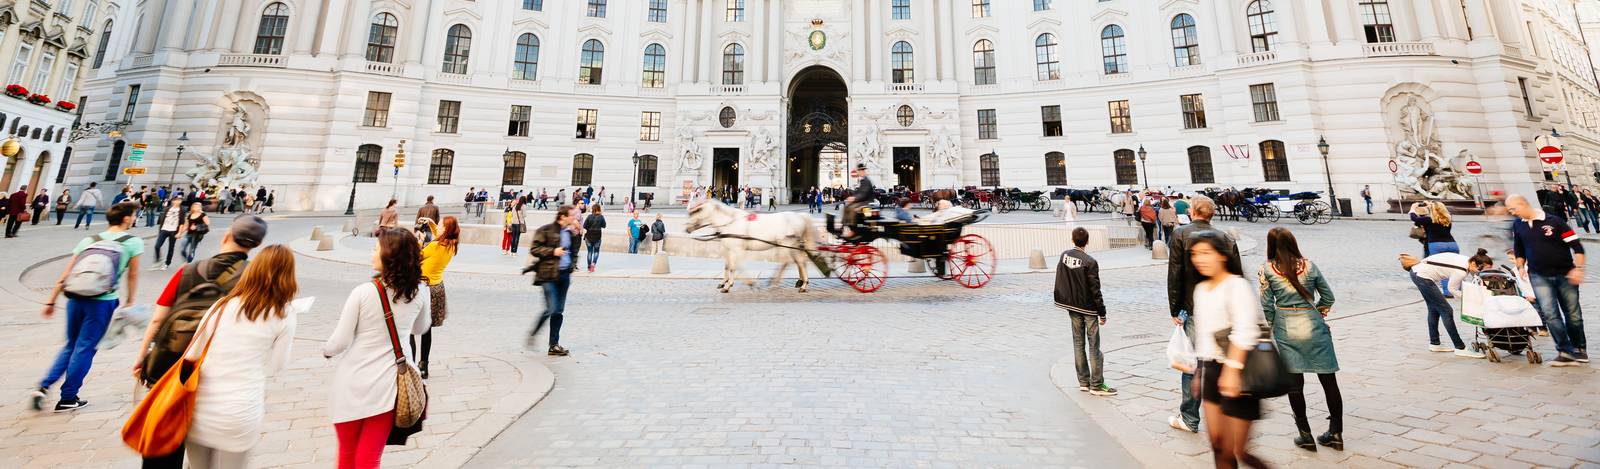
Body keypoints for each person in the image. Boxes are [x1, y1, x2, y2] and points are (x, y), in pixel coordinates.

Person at [161, 244, 295, 468]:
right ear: (288, 276)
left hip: (200, 408)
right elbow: (276, 366)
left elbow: (191, 355)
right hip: (240, 411)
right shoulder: (285, 313)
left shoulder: (221, 306)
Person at [322, 229, 429, 469]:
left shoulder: (363, 291)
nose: (372, 252)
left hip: (354, 380)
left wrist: (325, 350)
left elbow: (339, 342)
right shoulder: (421, 291)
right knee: (369, 457)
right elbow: (421, 329)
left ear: (389, 255)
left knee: (347, 453)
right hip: (390, 384)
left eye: (376, 248)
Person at [30, 202, 143, 412]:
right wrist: (130, 301)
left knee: (70, 345)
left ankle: (43, 386)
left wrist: (51, 300)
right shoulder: (133, 242)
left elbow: (67, 273)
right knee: (85, 347)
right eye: (134, 215)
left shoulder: (89, 240)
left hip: (75, 297)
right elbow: (133, 274)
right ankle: (68, 398)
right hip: (102, 301)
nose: (135, 218)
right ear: (126, 219)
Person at [1188, 231, 1269, 469]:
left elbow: (1246, 331)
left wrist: (1232, 371)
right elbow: (1203, 337)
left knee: (1238, 451)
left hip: (1241, 371)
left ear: (1222, 255)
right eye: (1195, 254)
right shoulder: (1201, 289)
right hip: (1212, 369)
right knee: (1218, 444)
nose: (1199, 259)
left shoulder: (1237, 285)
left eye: (1206, 253)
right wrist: (1199, 372)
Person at [1259, 228, 1343, 452]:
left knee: (1295, 384)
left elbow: (1266, 304)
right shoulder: (1310, 265)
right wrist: (1319, 312)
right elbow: (1328, 296)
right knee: (1329, 380)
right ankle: (1335, 433)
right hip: (1312, 321)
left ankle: (1305, 435)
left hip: (1286, 324)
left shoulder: (1268, 269)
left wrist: (1274, 323)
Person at [1166, 195, 1241, 434]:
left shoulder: (1180, 234)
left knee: (1193, 365)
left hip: (1196, 309)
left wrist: (1175, 308)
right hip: (1224, 311)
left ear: (1193, 211)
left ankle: (1189, 418)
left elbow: (1175, 274)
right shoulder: (1227, 238)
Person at [1506, 194, 1587, 366]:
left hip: (1565, 274)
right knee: (1550, 314)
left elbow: (1577, 247)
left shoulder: (1555, 222)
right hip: (1538, 275)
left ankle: (1579, 349)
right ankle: (1564, 351)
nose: (1513, 213)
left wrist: (1578, 269)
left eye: (1514, 209)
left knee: (1573, 314)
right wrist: (1520, 267)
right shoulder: (1518, 225)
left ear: (1523, 204)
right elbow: (1518, 249)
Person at [1055, 228, 1115, 396]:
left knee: (1078, 343)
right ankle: (1096, 384)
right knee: (1094, 346)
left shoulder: (1064, 256)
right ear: (1087, 241)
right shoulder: (1090, 262)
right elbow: (1095, 290)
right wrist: (1102, 312)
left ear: (1073, 239)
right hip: (1088, 307)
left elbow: (1061, 278)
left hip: (1072, 306)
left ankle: (1083, 381)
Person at [1401, 249, 1486, 358]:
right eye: (1481, 268)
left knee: (1433, 309)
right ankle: (1460, 347)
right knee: (1447, 311)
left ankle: (1434, 343)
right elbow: (1452, 290)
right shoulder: (1461, 271)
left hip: (1417, 273)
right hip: (1422, 277)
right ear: (1474, 263)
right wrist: (1470, 298)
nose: (1481, 271)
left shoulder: (1466, 260)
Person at [526, 206, 577, 356]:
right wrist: (553, 251)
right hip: (548, 275)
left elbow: (573, 252)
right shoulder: (546, 230)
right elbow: (534, 249)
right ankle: (533, 333)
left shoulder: (570, 233)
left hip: (564, 275)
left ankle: (553, 345)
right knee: (552, 308)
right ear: (562, 216)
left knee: (559, 311)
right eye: (572, 215)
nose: (574, 218)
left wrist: (571, 265)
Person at [414, 216, 459, 379]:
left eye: (440, 225)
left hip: (423, 288)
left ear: (446, 230)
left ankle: (412, 365)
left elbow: (417, 256)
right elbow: (439, 237)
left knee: (411, 329)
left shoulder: (433, 246)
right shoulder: (452, 245)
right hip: (437, 288)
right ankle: (424, 365)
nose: (437, 227)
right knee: (427, 330)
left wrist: (419, 240)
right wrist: (433, 225)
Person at [1411, 201, 1460, 294]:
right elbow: (1438, 208)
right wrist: (1430, 204)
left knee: (1442, 268)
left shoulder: (1429, 220)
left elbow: (1414, 218)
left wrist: (1413, 208)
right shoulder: (1447, 219)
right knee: (1454, 267)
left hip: (1437, 245)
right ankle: (1456, 290)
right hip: (1452, 244)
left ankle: (1447, 292)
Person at [150, 198, 186, 270]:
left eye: (179, 200)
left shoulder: (182, 210)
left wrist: (179, 233)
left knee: (171, 248)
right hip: (164, 229)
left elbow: (182, 223)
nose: (177, 201)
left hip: (174, 230)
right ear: (173, 201)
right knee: (157, 246)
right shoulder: (167, 209)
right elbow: (163, 219)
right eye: (176, 200)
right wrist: (160, 229)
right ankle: (158, 261)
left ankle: (167, 263)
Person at [583, 204, 607, 272]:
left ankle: (589, 266)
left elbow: (584, 226)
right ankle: (593, 264)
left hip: (589, 236)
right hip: (597, 236)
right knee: (596, 251)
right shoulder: (601, 217)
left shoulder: (589, 216)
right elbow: (604, 226)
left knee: (589, 252)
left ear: (593, 209)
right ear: (599, 209)